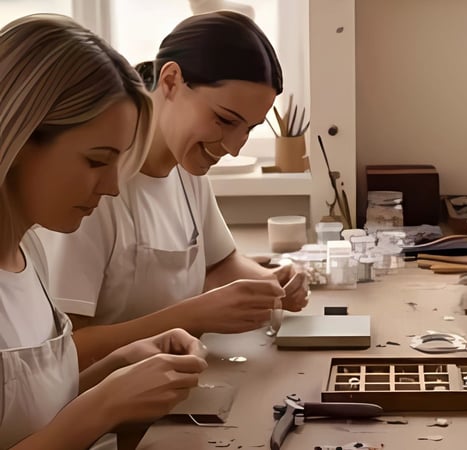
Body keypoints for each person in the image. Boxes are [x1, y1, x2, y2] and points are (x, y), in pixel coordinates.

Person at [35, 11, 309, 370]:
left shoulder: (189, 169)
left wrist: (270, 286)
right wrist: (194, 315)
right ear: (171, 81)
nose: (234, 147)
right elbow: (65, 350)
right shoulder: (92, 191)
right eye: (225, 120)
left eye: (249, 129)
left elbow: (220, 262)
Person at [0, 14, 207, 449]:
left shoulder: (28, 253)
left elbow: (35, 411)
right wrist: (106, 405)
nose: (113, 186)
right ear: (17, 139)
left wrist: (120, 366)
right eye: (96, 161)